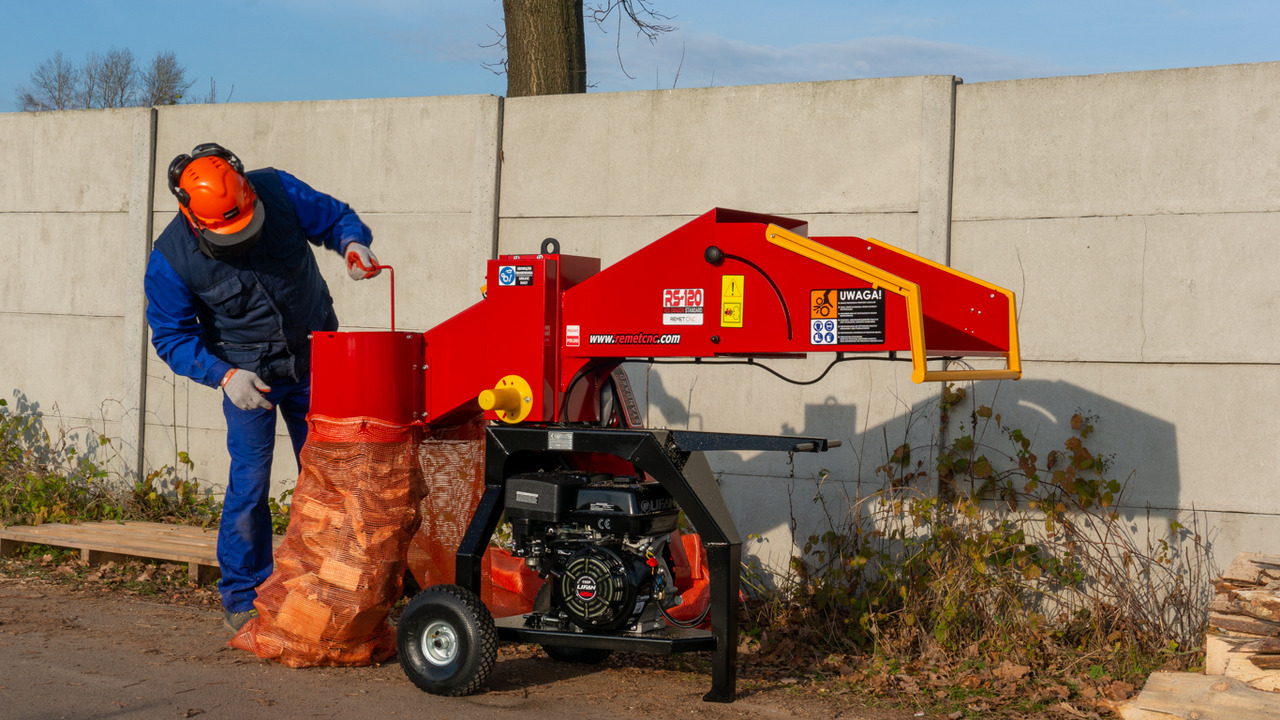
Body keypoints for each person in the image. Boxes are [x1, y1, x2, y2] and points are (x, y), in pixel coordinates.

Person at [144, 142, 381, 633]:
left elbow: (336, 219)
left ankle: (336, 585)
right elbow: (170, 335)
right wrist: (224, 377)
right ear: (193, 218)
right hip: (247, 375)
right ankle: (243, 594)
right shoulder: (171, 259)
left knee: (332, 476)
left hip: (317, 355)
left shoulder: (276, 188)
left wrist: (353, 243)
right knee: (250, 482)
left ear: (248, 191)